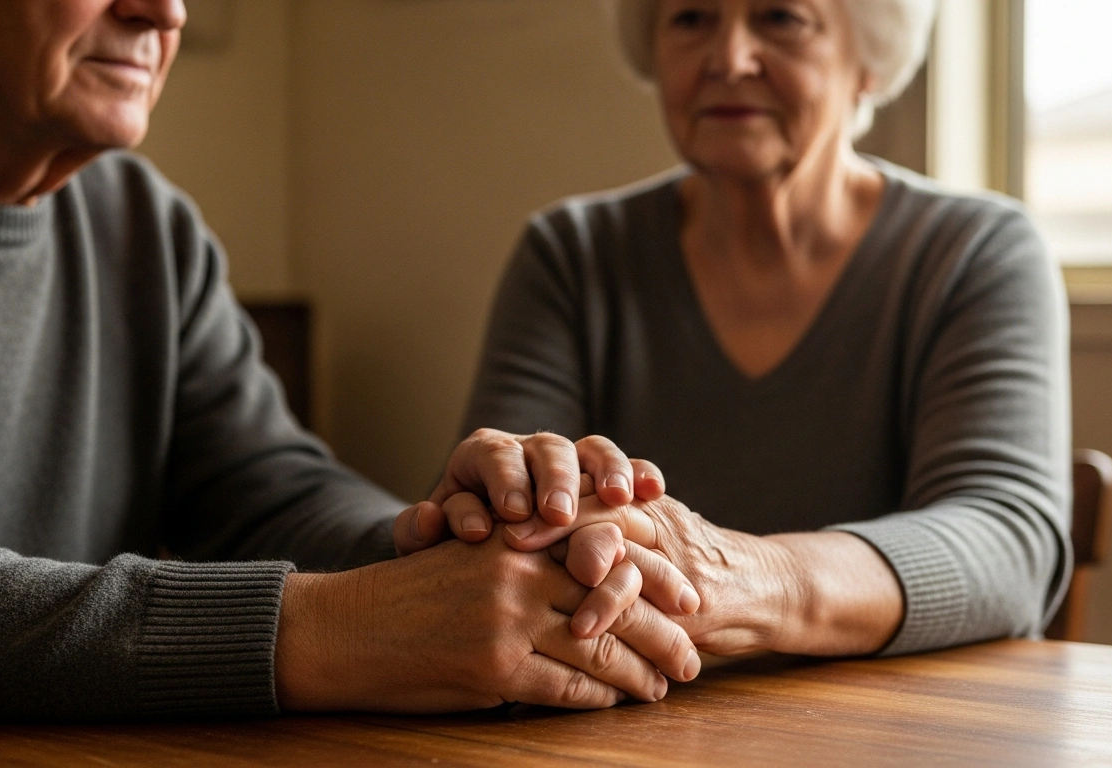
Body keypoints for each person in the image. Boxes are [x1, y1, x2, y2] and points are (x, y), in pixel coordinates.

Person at [0, 0, 702, 720]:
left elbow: (266, 489)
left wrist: (460, 545)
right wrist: (332, 629)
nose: (165, 10)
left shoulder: (146, 228)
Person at [415, 0, 1073, 659]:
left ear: (868, 60)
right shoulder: (571, 254)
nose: (728, 60)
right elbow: (502, 540)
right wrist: (532, 512)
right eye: (692, 18)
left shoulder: (976, 252)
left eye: (781, 17)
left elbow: (1006, 540)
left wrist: (747, 579)